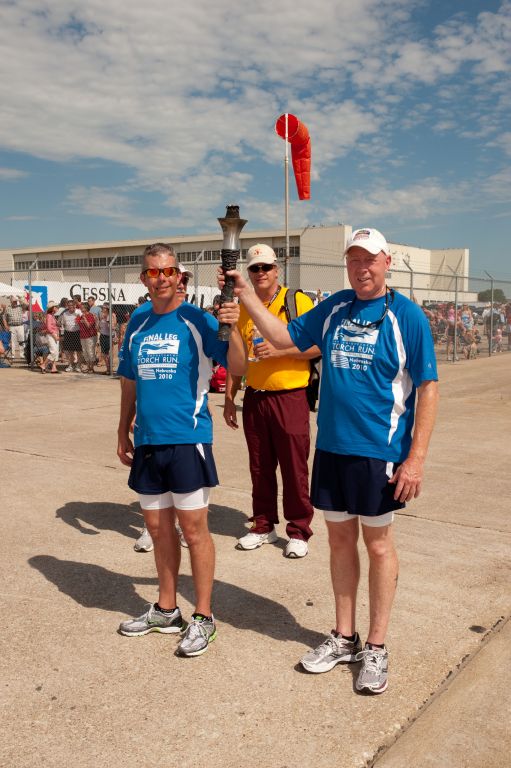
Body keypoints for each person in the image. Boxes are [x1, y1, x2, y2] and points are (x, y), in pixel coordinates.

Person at [221, 227, 439, 694]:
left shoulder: (408, 317)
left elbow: (428, 388)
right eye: (354, 260)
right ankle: (344, 636)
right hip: (333, 449)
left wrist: (415, 459)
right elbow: (282, 335)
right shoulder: (337, 306)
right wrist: (246, 296)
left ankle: (377, 647)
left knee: (378, 546)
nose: (362, 268)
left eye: (370, 260)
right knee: (340, 542)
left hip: (379, 453)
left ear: (388, 262)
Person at [117, 242, 246, 657]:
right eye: (153, 273)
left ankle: (204, 617)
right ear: (144, 278)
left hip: (188, 440)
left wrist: (237, 325)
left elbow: (238, 366)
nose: (161, 279)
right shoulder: (136, 321)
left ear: (179, 276)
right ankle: (167, 608)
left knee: (194, 530)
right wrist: (123, 428)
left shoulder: (196, 320)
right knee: (157, 530)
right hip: (149, 442)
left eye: (168, 271)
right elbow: (130, 381)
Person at [223, 244, 319, 558]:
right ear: (249, 273)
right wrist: (228, 396)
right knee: (260, 467)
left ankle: (299, 529)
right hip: (255, 396)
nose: (261, 273)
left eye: (266, 267)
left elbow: (317, 345)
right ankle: (263, 524)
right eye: (255, 268)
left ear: (276, 270)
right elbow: (237, 358)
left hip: (289, 395)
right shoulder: (244, 305)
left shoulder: (297, 300)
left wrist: (280, 351)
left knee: (294, 467)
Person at [40, 301, 60, 373]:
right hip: (51, 335)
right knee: (53, 351)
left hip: (54, 334)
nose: (57, 308)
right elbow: (48, 328)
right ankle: (43, 365)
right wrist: (54, 336)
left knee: (56, 352)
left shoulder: (52, 315)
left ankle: (53, 368)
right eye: (55, 307)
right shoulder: (49, 315)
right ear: (52, 308)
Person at [3, 296, 25, 362]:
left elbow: (26, 304)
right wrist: (6, 325)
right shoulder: (8, 308)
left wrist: (19, 299)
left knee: (22, 340)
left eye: (16, 301)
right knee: (12, 341)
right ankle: (13, 355)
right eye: (14, 301)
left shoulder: (20, 307)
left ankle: (22, 354)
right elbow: (4, 318)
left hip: (20, 326)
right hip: (12, 326)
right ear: (11, 301)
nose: (15, 302)